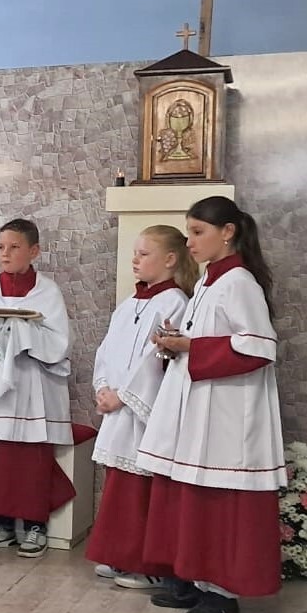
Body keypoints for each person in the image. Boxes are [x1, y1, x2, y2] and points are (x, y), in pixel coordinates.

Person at [137, 197, 284, 613]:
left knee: (220, 501)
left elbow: (258, 347)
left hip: (227, 412)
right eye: (189, 232)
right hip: (199, 405)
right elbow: (203, 337)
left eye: (198, 232)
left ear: (229, 232)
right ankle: (193, 578)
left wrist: (190, 347)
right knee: (191, 494)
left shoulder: (239, 281)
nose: (191, 241)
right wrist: (174, 342)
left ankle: (221, 592)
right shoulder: (206, 282)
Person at [84, 226, 197, 589]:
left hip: (145, 412)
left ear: (170, 259)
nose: (135, 259)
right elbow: (107, 351)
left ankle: (146, 564)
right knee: (119, 486)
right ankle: (119, 557)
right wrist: (102, 387)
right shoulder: (129, 304)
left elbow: (158, 358)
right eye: (135, 252)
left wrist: (124, 396)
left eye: (144, 253)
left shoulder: (176, 303)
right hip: (117, 408)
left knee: (141, 490)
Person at [0, 218, 74, 557]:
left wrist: (23, 334)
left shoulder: (47, 291)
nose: (5, 254)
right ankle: (1, 523)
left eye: (14, 247)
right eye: (0, 247)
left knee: (30, 458)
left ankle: (36, 524)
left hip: (33, 385)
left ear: (34, 251)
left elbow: (59, 342)